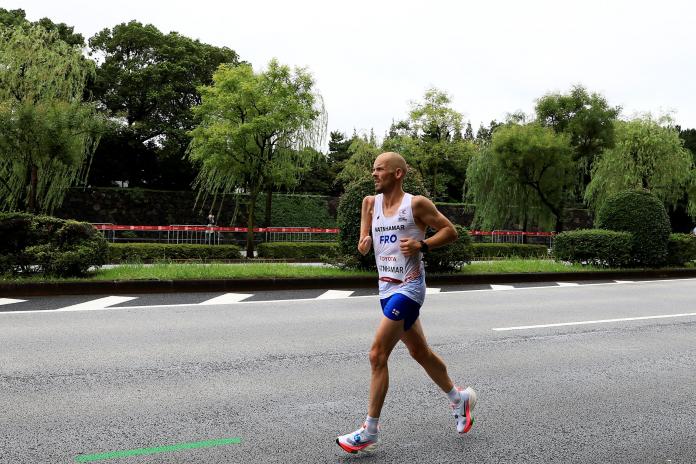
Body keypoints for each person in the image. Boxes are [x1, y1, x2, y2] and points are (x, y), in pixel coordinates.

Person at [336, 152, 477, 454]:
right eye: (373, 169)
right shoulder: (369, 204)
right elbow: (364, 243)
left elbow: (450, 231)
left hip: (410, 288)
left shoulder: (416, 204)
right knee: (419, 352)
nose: (374, 174)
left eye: (380, 170)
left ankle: (370, 430)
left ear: (398, 174)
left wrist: (422, 244)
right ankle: (459, 398)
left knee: (377, 354)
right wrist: (363, 243)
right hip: (386, 288)